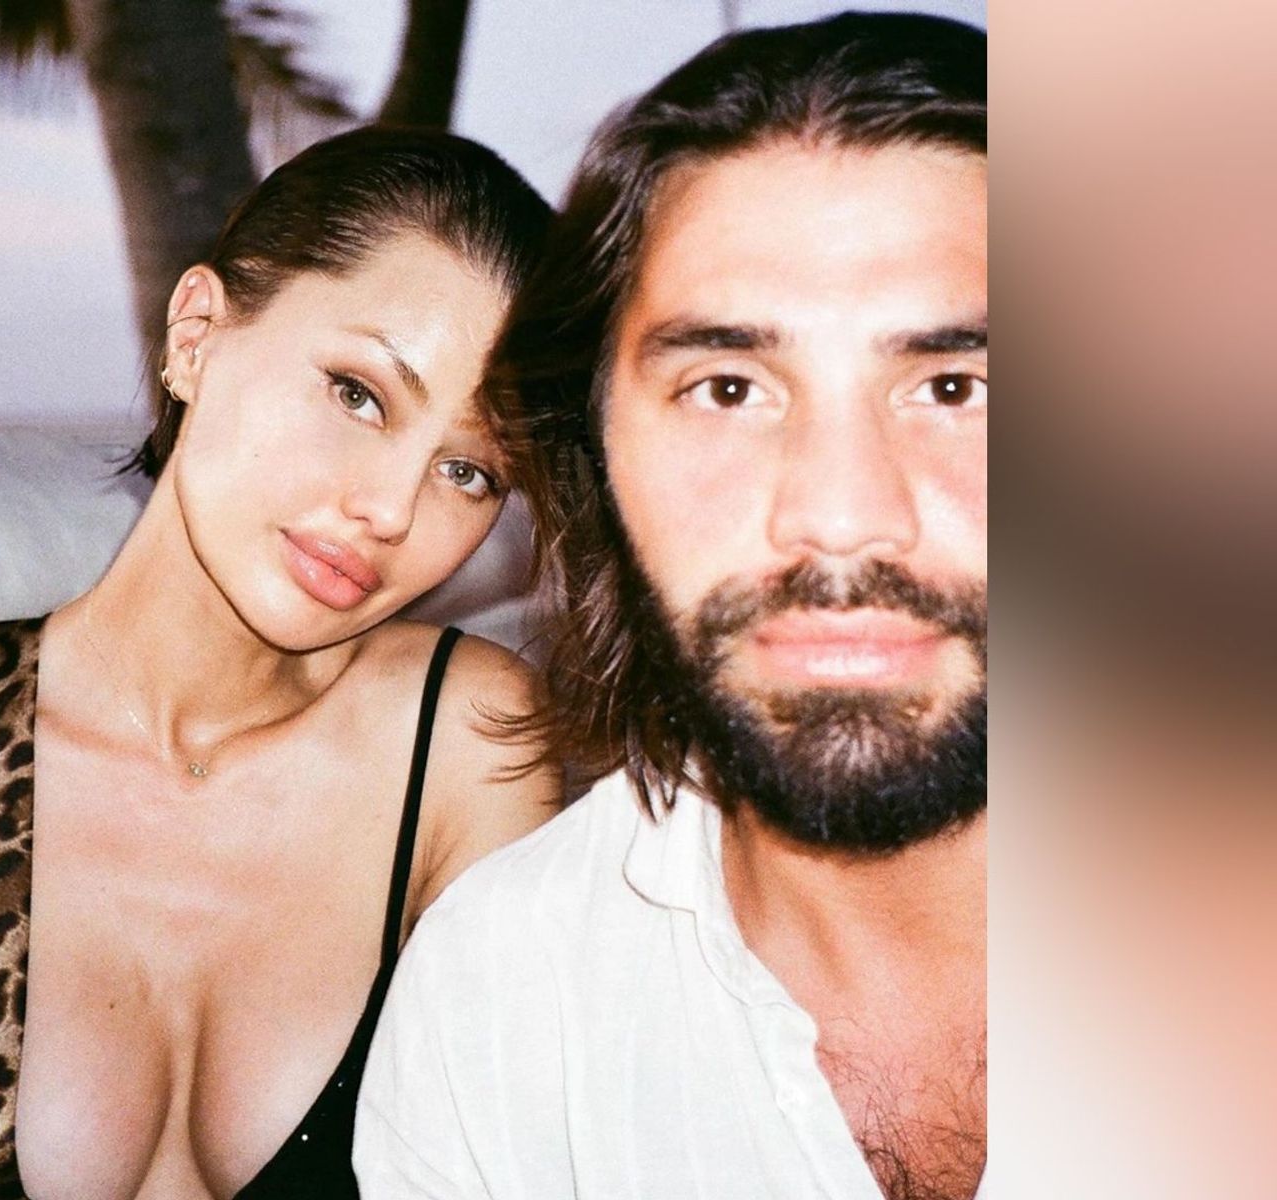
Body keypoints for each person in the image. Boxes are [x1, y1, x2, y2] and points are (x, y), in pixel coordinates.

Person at [356, 13, 987, 1199]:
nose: (838, 516)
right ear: (598, 457)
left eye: (954, 387)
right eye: (728, 389)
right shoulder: (498, 1007)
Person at [0, 127, 559, 1200]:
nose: (389, 509)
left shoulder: (462, 748)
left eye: (470, 471)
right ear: (195, 334)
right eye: (358, 394)